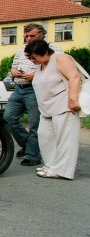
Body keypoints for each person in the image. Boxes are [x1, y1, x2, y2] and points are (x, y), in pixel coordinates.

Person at [3, 23, 62, 167]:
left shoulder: (52, 48)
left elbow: (56, 68)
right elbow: (12, 68)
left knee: (35, 122)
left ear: (42, 35)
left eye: (32, 36)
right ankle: (28, 144)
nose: (29, 39)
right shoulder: (21, 50)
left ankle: (33, 155)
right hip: (19, 88)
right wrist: (14, 72)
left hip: (36, 89)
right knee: (8, 118)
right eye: (26, 36)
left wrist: (35, 75)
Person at [24, 39, 81, 179]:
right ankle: (51, 166)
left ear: (44, 52)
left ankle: (63, 170)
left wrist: (72, 99)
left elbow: (74, 76)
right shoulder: (41, 64)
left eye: (34, 57)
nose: (32, 60)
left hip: (64, 106)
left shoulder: (60, 58)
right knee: (45, 137)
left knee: (65, 140)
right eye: (30, 58)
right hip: (47, 109)